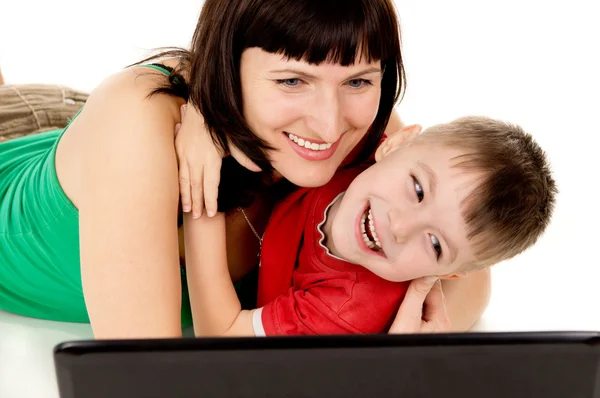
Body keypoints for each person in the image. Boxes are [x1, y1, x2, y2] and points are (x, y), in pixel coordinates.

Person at [0, 0, 490, 339]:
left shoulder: (364, 133)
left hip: (91, 124)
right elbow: (143, 377)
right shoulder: (135, 128)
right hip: (31, 134)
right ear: (226, 67)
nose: (328, 124)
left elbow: (473, 277)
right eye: (293, 80)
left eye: (359, 80)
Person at [180, 116, 556, 336]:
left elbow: (221, 331)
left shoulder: (346, 310)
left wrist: (203, 183)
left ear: (450, 275)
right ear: (395, 144)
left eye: (436, 244)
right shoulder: (358, 141)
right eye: (418, 189)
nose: (400, 226)